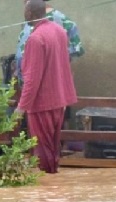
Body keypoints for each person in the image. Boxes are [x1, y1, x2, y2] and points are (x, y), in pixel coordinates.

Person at [16, 0, 77, 174]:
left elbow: (32, 80)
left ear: (29, 14)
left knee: (42, 151)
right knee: (53, 148)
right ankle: (54, 189)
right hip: (59, 100)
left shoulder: (35, 39)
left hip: (41, 103)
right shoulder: (59, 31)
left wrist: (20, 108)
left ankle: (47, 189)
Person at [15, 0, 84, 84]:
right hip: (30, 80)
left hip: (46, 82)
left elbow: (71, 52)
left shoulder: (60, 21)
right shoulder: (30, 21)